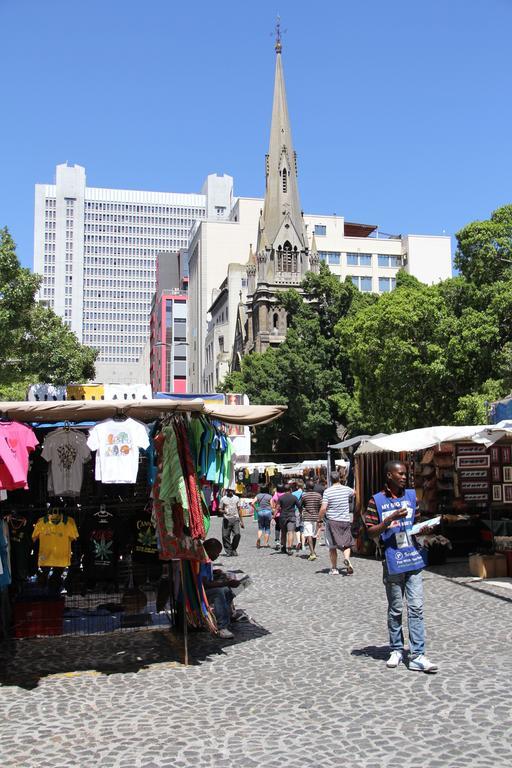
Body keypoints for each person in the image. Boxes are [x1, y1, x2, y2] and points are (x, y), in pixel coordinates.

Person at [364, 460, 438, 673]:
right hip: (393, 560)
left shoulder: (412, 496)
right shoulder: (376, 501)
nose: (405, 477)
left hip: (412, 558)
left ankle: (418, 654)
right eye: (401, 474)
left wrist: (423, 529)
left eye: (406, 474)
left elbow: (414, 523)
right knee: (396, 608)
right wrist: (389, 520)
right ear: (389, 476)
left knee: (416, 607)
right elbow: (370, 532)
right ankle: (396, 648)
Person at [202, 538, 242, 639]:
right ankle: (222, 627)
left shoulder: (207, 561)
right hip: (200, 592)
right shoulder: (202, 561)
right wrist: (227, 582)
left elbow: (207, 578)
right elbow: (205, 584)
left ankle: (228, 614)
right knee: (219, 592)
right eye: (217, 553)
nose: (218, 555)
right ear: (210, 550)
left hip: (205, 587)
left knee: (226, 590)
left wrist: (214, 573)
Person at [319, 470, 355, 575]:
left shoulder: (327, 492)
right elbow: (355, 492)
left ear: (330, 480)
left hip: (332, 521)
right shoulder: (346, 489)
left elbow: (323, 508)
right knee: (346, 544)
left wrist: (319, 519)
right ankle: (347, 559)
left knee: (332, 546)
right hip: (345, 520)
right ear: (339, 478)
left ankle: (334, 568)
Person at [277, 484, 303, 555]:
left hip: (283, 516)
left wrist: (273, 516)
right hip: (291, 516)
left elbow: (278, 507)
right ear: (290, 490)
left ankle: (284, 547)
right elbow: (299, 506)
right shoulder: (294, 497)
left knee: (283, 532)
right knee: (291, 532)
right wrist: (301, 513)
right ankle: (290, 548)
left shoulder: (281, 498)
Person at [301, 480, 323, 560]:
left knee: (308, 534)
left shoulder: (304, 495)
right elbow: (322, 506)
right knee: (313, 535)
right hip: (316, 517)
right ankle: (312, 551)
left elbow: (301, 505)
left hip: (307, 517)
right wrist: (320, 518)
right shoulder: (319, 496)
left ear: (306, 487)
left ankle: (312, 553)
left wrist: (301, 513)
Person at [220, 488, 244, 557]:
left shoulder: (236, 498)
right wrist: (224, 511)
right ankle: (228, 551)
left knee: (237, 534)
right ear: (227, 491)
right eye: (228, 490)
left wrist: (242, 522)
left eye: (231, 490)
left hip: (235, 519)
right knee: (225, 536)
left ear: (233, 490)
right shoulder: (223, 499)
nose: (230, 491)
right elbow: (220, 509)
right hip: (226, 519)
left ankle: (233, 548)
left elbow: (239, 510)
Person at [271, 484, 285, 550]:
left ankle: (277, 541)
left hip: (277, 515)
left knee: (277, 527)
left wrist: (273, 515)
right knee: (284, 528)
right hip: (284, 514)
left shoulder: (275, 496)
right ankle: (283, 541)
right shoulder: (285, 495)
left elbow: (273, 506)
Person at [291, 480, 304, 550]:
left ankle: (299, 541)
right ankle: (304, 545)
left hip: (296, 511)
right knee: (303, 528)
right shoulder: (304, 493)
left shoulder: (293, 493)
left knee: (297, 527)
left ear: (297, 486)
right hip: (304, 511)